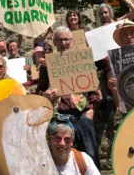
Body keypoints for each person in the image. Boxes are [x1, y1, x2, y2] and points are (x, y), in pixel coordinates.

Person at [36, 26, 101, 169]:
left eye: (66, 39)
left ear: (71, 40)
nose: (63, 43)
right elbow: (38, 92)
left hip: (82, 114)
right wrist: (45, 95)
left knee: (90, 153)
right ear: (54, 42)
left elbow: (94, 91)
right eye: (59, 40)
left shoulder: (82, 60)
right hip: (61, 116)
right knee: (63, 157)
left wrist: (91, 110)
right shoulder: (47, 66)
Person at [106, 19, 134, 111]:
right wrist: (113, 87)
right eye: (124, 35)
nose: (129, 36)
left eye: (132, 32)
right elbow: (118, 93)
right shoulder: (116, 60)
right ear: (121, 40)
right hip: (132, 109)